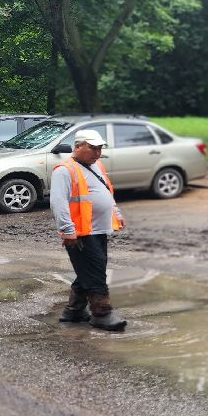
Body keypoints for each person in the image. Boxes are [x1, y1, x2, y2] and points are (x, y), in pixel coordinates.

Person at [50, 129, 128, 332]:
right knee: (95, 271)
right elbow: (58, 203)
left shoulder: (97, 166)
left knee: (92, 268)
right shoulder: (64, 170)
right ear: (77, 147)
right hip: (79, 232)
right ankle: (102, 313)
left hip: (98, 229)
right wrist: (67, 230)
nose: (97, 153)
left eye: (100, 148)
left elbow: (106, 192)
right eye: (92, 148)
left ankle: (74, 310)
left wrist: (116, 213)